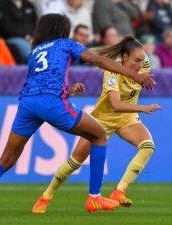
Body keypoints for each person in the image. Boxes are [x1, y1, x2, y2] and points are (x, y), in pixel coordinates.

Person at [0, 13, 155, 217]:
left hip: (27, 104)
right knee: (99, 134)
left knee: (6, 158)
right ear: (62, 29)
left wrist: (68, 91)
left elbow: (39, 83)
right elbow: (98, 60)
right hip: (52, 103)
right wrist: (134, 75)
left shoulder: (35, 52)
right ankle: (94, 198)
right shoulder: (66, 44)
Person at [32, 36, 161, 213]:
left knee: (148, 147)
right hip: (102, 121)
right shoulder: (111, 73)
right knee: (75, 162)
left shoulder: (143, 65)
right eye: (136, 61)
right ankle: (46, 196)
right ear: (124, 58)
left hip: (126, 120)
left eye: (142, 60)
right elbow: (116, 105)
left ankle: (119, 191)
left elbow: (140, 59)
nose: (140, 65)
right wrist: (142, 108)